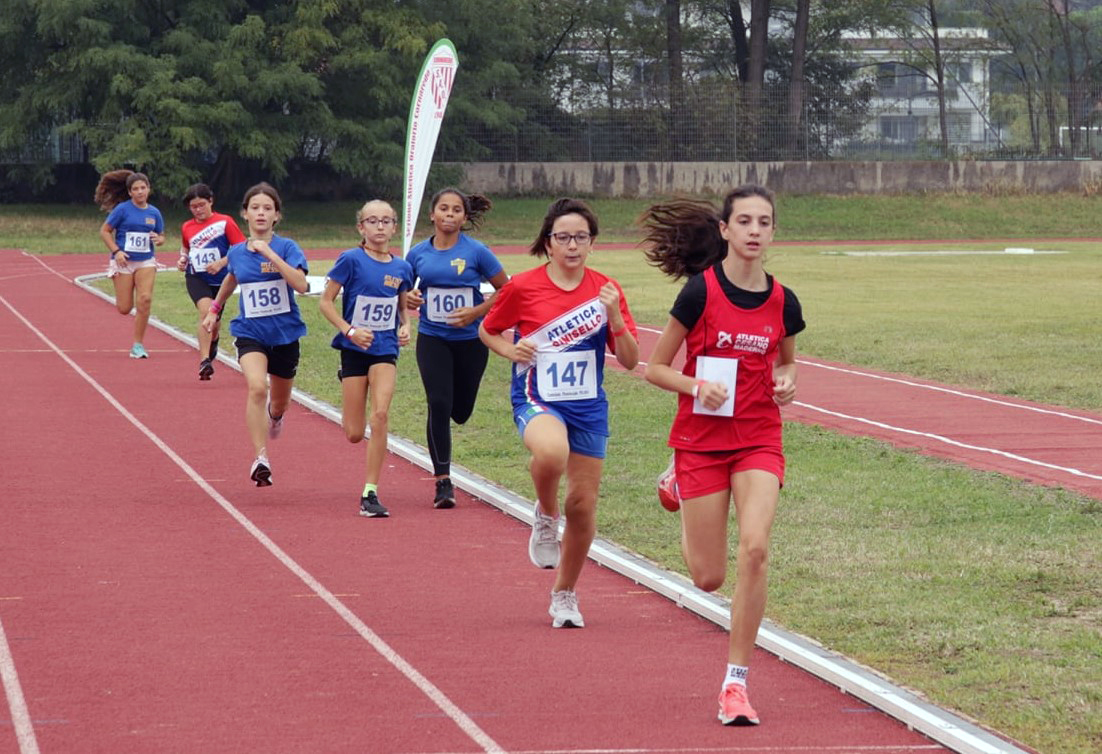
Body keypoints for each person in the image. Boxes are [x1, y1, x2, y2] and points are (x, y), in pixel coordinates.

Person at [640, 185, 805, 726]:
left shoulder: (784, 300)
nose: (756, 230)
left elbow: (787, 364)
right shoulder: (699, 293)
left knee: (755, 549)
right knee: (708, 577)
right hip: (702, 443)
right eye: (746, 221)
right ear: (726, 231)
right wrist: (693, 386)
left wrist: (786, 383)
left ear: (773, 231)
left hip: (759, 437)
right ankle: (679, 483)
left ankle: (736, 683)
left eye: (765, 221)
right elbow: (655, 367)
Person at [479, 197, 639, 629]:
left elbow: (629, 359)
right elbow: (488, 328)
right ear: (548, 243)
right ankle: (546, 515)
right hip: (537, 397)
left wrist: (614, 318)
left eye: (580, 237)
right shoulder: (524, 286)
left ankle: (564, 593)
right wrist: (509, 348)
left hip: (588, 407)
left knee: (583, 505)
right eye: (563, 237)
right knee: (551, 453)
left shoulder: (606, 289)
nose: (572, 245)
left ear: (592, 244)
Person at [405, 187, 509, 509]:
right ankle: (443, 482)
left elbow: (507, 290)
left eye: (456, 210)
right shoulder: (418, 254)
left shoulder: (477, 252)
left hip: (470, 342)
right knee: (438, 402)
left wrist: (476, 313)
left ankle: (451, 416)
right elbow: (406, 289)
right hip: (433, 338)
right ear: (432, 214)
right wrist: (407, 298)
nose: (449, 215)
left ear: (464, 217)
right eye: (444, 209)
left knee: (460, 412)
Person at [201, 183, 309, 487]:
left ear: (277, 216)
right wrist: (214, 309)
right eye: (255, 208)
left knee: (279, 402)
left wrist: (269, 254)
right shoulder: (236, 252)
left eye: (267, 208)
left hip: (285, 334)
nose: (261, 213)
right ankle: (261, 458)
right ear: (245, 213)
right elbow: (231, 279)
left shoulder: (288, 247)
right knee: (257, 387)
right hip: (250, 333)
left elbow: (301, 285)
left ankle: (275, 417)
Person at [319, 200, 413, 517]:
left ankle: (370, 492)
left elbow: (402, 307)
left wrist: (405, 327)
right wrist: (349, 331)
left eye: (386, 221)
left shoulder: (401, 268)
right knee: (354, 433)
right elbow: (326, 302)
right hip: (354, 350)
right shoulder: (351, 260)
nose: (380, 226)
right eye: (373, 221)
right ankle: (346, 378)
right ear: (361, 227)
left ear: (394, 227)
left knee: (381, 416)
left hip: (385, 349)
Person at [175, 183, 246, 380]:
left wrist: (222, 262)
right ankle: (205, 361)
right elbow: (186, 249)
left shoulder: (225, 222)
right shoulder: (187, 226)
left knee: (214, 321)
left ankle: (213, 340)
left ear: (211, 201)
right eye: (193, 207)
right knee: (206, 312)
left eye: (201, 205)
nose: (198, 210)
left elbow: (241, 249)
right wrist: (182, 260)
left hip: (222, 280)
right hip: (196, 276)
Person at [96, 169, 166, 359]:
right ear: (130, 192)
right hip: (124, 261)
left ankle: (138, 345)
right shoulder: (122, 210)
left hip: (146, 261)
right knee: (124, 308)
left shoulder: (154, 213)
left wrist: (159, 240)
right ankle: (117, 281)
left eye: (143, 188)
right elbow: (105, 231)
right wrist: (116, 251)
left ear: (149, 189)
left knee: (144, 299)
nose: (140, 192)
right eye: (136, 189)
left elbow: (161, 235)